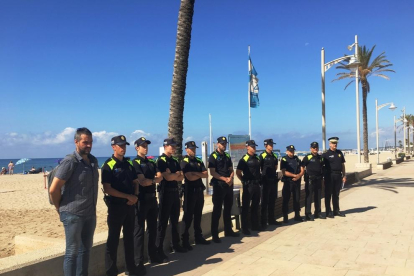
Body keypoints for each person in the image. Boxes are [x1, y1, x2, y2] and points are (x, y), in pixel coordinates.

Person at [49, 127, 99, 276]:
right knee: (72, 253)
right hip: (72, 214)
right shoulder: (70, 162)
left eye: (90, 142)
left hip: (90, 214)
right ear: (76, 142)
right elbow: (54, 189)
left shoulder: (93, 161)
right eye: (85, 142)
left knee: (86, 251)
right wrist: (60, 209)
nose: (88, 145)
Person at [101, 135, 139, 276]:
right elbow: (107, 189)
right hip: (116, 207)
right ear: (113, 147)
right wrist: (127, 196)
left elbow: (135, 182)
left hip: (130, 206)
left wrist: (135, 196)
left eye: (124, 145)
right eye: (120, 145)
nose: (123, 148)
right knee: (113, 241)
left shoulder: (128, 164)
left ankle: (131, 269)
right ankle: (111, 272)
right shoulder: (108, 165)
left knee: (129, 238)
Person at [132, 137, 163, 273]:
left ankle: (152, 255)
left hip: (152, 199)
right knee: (139, 231)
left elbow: (160, 176)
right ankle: (138, 262)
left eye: (146, 145)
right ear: (137, 148)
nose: (145, 148)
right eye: (142, 146)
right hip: (141, 200)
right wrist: (153, 180)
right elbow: (142, 181)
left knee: (152, 228)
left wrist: (151, 180)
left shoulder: (150, 162)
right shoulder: (135, 162)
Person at [156, 138, 187, 261]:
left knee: (175, 221)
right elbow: (167, 178)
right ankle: (158, 250)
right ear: (165, 146)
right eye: (171, 146)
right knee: (163, 222)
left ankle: (176, 245)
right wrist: (175, 175)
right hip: (165, 193)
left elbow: (181, 177)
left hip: (175, 193)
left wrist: (174, 175)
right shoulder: (161, 160)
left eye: (174, 146)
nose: (173, 148)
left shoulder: (174, 161)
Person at [208, 136, 239, 243]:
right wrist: (224, 179)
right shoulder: (213, 156)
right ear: (218, 144)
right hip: (219, 186)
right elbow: (212, 172)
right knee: (217, 210)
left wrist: (230, 178)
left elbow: (231, 169)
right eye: (222, 143)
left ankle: (228, 230)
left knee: (228, 209)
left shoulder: (227, 155)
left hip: (228, 185)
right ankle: (215, 234)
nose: (224, 145)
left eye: (225, 144)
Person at [180, 141, 210, 250]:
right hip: (190, 191)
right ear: (186, 149)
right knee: (188, 216)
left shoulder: (198, 160)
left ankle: (198, 237)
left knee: (198, 215)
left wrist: (196, 173)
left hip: (199, 191)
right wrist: (199, 174)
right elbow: (189, 177)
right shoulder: (184, 161)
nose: (193, 150)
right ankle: (185, 240)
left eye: (194, 149)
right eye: (191, 149)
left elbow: (206, 174)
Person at [236, 140, 262, 235]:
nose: (254, 148)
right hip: (248, 186)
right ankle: (245, 227)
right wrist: (243, 181)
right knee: (246, 207)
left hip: (256, 185)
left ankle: (255, 225)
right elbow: (238, 172)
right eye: (252, 146)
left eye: (254, 146)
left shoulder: (257, 158)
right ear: (247, 147)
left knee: (255, 206)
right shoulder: (244, 158)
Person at [259, 139, 281, 228]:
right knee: (264, 202)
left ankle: (271, 219)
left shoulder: (274, 155)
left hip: (273, 181)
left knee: (272, 201)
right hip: (265, 182)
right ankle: (263, 222)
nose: (271, 146)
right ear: (265, 146)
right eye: (270, 145)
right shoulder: (262, 155)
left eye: (272, 144)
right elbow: (259, 167)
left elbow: (276, 167)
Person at [322, 137, 346, 218]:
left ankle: (336, 211)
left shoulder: (339, 153)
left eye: (336, 143)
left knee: (336, 194)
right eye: (333, 143)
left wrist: (344, 175)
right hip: (329, 176)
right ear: (330, 144)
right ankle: (328, 212)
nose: (335, 145)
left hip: (338, 176)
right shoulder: (325, 154)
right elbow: (321, 165)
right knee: (328, 194)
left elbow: (342, 165)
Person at [301, 142, 325, 221]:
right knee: (309, 197)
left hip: (318, 179)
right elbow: (302, 166)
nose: (315, 149)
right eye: (314, 148)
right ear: (311, 148)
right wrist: (303, 174)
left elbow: (322, 167)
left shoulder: (320, 157)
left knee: (318, 196)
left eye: (316, 147)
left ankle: (317, 212)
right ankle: (308, 214)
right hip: (310, 180)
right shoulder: (307, 157)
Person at [281, 145, 304, 223]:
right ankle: (285, 217)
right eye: (290, 151)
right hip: (288, 183)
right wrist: (294, 175)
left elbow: (302, 170)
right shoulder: (284, 159)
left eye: (293, 151)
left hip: (296, 182)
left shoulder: (297, 159)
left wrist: (299, 176)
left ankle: (297, 215)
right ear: (287, 151)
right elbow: (284, 172)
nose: (292, 152)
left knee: (297, 199)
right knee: (286, 200)